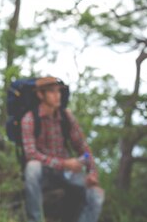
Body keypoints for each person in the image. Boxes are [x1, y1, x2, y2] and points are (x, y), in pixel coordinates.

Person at [21, 77, 104, 222]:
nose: (57, 95)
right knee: (32, 167)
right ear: (41, 95)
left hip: (67, 172)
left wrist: (92, 173)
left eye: (58, 92)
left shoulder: (66, 117)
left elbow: (82, 147)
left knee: (96, 195)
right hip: (45, 171)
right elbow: (31, 154)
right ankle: (35, 219)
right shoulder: (29, 119)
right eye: (52, 92)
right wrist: (64, 163)